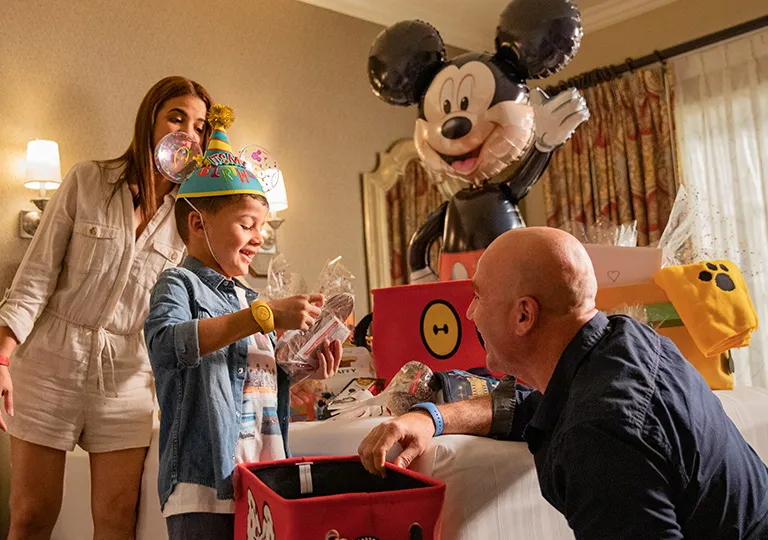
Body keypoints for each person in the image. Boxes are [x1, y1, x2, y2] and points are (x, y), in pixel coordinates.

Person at [359, 227, 768, 539]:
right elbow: (533, 407)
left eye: (479, 297)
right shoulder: (624, 341)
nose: (469, 313)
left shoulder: (598, 434)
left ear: (524, 316)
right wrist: (431, 417)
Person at [0, 76, 212, 540]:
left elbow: (190, 306)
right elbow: (35, 276)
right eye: (177, 117)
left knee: (118, 518)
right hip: (50, 363)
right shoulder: (88, 179)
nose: (188, 133)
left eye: (199, 126)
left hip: (128, 376)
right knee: (32, 514)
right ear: (149, 120)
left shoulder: (187, 220)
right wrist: (1, 356)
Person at [143, 106, 343, 540]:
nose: (258, 238)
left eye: (262, 229)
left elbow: (258, 378)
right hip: (205, 483)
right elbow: (165, 344)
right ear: (198, 223)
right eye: (247, 225)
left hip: (262, 478)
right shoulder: (178, 284)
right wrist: (263, 316)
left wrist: (305, 365)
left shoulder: (247, 298)